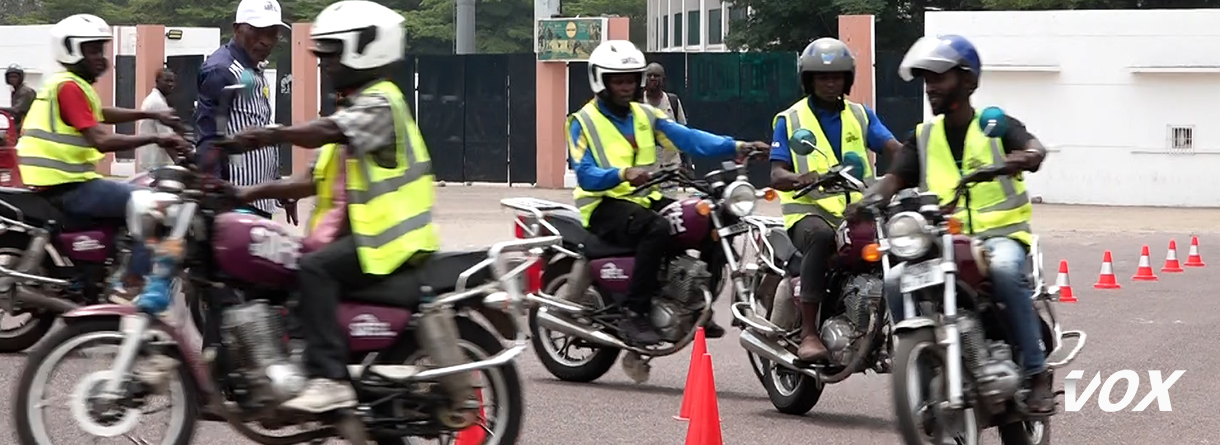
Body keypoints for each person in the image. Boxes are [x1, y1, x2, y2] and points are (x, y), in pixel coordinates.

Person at [219, 1, 446, 414]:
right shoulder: (354, 104)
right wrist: (241, 197)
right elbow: (313, 179)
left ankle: (330, 379)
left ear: (364, 50)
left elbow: (325, 132)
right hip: (355, 237)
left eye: (331, 53)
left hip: (387, 241)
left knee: (313, 269)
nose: (323, 63)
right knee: (278, 265)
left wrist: (269, 135)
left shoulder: (382, 103)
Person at [850, 34, 1053, 414]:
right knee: (895, 280)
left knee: (1007, 271)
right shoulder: (924, 137)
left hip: (1001, 236)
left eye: (939, 78)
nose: (930, 87)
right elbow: (894, 178)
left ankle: (1037, 373)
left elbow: (1034, 149)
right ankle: (921, 365)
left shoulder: (995, 125)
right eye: (927, 80)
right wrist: (867, 199)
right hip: (945, 241)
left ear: (968, 81)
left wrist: (1020, 159)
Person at [569, 40, 769, 345]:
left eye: (630, 80)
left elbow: (688, 138)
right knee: (657, 228)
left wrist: (737, 146)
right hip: (603, 205)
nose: (625, 87)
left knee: (710, 219)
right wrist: (623, 173)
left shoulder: (645, 116)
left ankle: (696, 304)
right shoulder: (582, 121)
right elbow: (585, 174)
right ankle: (635, 313)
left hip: (644, 199)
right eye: (618, 81)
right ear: (601, 81)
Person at [16, 14, 189, 302]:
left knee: (135, 197)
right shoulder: (69, 87)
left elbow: (103, 112)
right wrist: (157, 136)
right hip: (69, 185)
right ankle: (130, 284)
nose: (101, 57)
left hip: (65, 182)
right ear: (71, 49)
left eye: (101, 49)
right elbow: (102, 139)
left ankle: (104, 267)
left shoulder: (70, 84)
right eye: (93, 50)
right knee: (153, 204)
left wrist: (151, 114)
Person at [769, 37, 903, 362]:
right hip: (809, 214)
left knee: (902, 240)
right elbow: (776, 175)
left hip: (857, 211)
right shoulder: (791, 119)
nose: (831, 82)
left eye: (837, 76)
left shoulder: (860, 115)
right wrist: (798, 178)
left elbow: (893, 148)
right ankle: (809, 334)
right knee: (822, 237)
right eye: (822, 77)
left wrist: (914, 161)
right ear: (809, 80)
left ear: (847, 79)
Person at [195, 0, 292, 219]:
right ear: (237, 29)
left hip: (259, 200)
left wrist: (278, 187)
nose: (266, 41)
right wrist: (217, 199)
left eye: (273, 33)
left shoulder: (255, 69)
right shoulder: (222, 70)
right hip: (236, 204)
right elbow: (208, 137)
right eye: (258, 31)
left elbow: (261, 130)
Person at [136, 68, 177, 172]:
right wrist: (179, 161)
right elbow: (166, 138)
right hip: (156, 162)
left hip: (151, 159)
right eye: (167, 80)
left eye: (172, 81)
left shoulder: (155, 99)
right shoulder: (157, 103)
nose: (170, 84)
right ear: (157, 81)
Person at [3, 64, 36, 132]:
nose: (12, 79)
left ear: (20, 78)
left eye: (15, 77)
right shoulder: (16, 91)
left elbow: (17, 110)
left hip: (26, 126)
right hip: (18, 126)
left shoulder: (26, 91)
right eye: (10, 77)